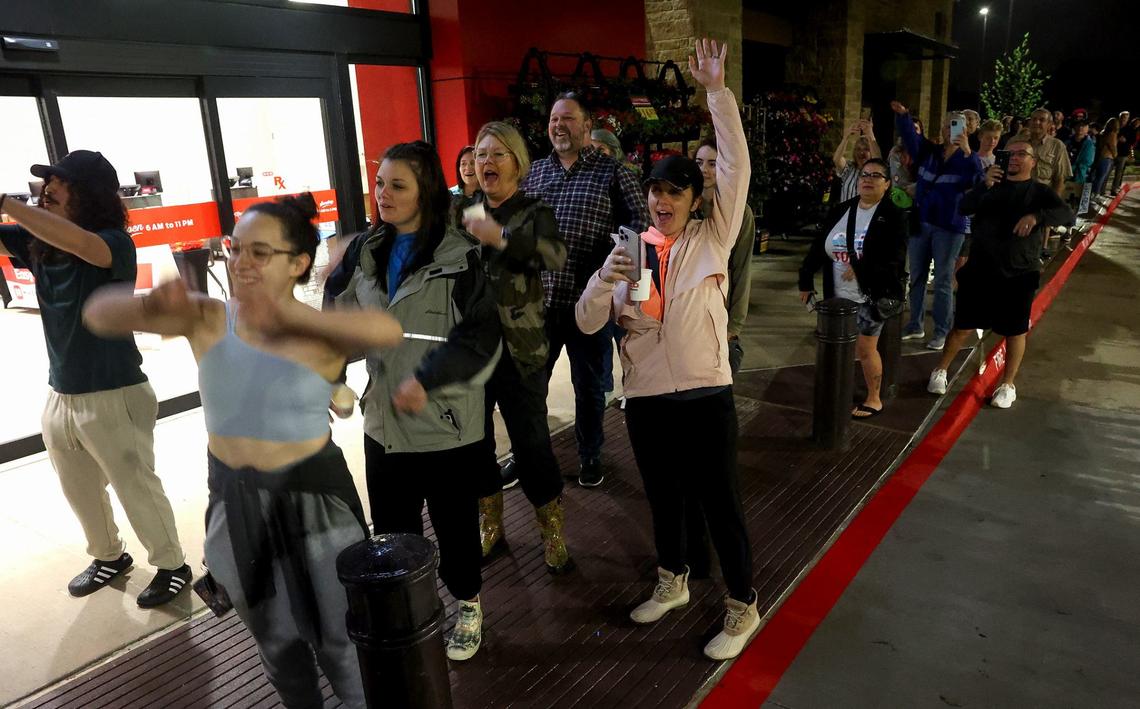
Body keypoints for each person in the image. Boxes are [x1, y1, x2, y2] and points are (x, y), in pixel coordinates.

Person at [84, 193, 404, 707]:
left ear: (299, 263)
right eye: (236, 250)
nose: (242, 263)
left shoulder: (317, 328)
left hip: (317, 506)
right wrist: (147, 306)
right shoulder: (211, 318)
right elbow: (98, 314)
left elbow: (385, 330)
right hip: (237, 505)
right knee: (277, 646)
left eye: (261, 253)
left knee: (342, 641)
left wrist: (291, 316)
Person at [577, 38, 758, 661]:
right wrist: (605, 279)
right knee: (664, 499)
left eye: (676, 191)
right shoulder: (630, 247)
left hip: (707, 394)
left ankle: (742, 605)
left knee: (720, 501)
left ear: (694, 199)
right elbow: (585, 319)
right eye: (657, 190)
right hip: (649, 399)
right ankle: (673, 581)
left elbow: (735, 164)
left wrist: (716, 92)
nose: (665, 200)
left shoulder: (714, 237)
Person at [0, 151, 189, 608]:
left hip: (115, 390)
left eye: (55, 186)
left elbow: (80, 244)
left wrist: (8, 203)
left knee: (134, 485)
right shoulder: (39, 243)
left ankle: (172, 565)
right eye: (43, 188)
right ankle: (108, 555)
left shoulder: (113, 243)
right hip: (61, 390)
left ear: (86, 194)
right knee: (79, 487)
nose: (44, 194)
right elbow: (38, 234)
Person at [336, 141, 501, 662]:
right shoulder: (365, 252)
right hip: (384, 425)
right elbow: (339, 319)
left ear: (425, 192)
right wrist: (331, 373)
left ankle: (468, 606)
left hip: (447, 427)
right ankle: (412, 616)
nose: (383, 194)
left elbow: (480, 342)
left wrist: (427, 381)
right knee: (394, 536)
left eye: (397, 185)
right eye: (379, 183)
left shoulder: (463, 259)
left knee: (455, 535)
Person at [458, 121, 574, 574]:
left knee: (530, 443)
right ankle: (492, 525)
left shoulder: (532, 209)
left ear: (517, 163)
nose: (487, 162)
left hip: (521, 348)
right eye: (481, 154)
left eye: (497, 154)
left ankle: (552, 530)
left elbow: (555, 256)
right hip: (470, 348)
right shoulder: (463, 211)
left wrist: (501, 239)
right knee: (475, 442)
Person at [522, 89, 649, 488]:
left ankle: (590, 455)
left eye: (568, 118)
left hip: (588, 305)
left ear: (587, 125)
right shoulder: (535, 172)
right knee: (528, 391)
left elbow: (640, 229)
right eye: (554, 119)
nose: (559, 125)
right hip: (538, 305)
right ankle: (531, 456)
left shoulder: (613, 173)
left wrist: (620, 280)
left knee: (590, 388)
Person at [927, 140, 1072, 408]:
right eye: (1009, 154)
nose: (1014, 159)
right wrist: (984, 184)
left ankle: (1007, 384)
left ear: (1033, 161)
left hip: (1019, 273)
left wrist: (1036, 217)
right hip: (981, 270)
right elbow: (965, 207)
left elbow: (1067, 215)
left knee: (1015, 331)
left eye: (1021, 154)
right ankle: (941, 369)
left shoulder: (1039, 192)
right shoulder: (990, 187)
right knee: (962, 326)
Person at [798, 157, 907, 417]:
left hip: (871, 294)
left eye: (876, 176)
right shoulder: (842, 209)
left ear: (887, 183)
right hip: (837, 294)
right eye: (864, 175)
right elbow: (818, 247)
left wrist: (860, 266)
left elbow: (895, 258)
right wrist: (805, 280)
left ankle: (873, 398)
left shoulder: (893, 215)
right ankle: (839, 391)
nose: (868, 179)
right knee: (839, 346)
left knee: (865, 347)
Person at [892, 101, 982, 351]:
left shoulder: (968, 158)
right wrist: (904, 116)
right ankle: (915, 324)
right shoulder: (929, 152)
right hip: (922, 221)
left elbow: (976, 182)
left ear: (966, 130)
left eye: (955, 125)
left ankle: (942, 331)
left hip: (949, 226)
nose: (949, 129)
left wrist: (967, 151)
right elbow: (912, 139)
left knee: (942, 279)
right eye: (946, 125)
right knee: (917, 276)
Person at [695, 135, 755, 375]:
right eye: (699, 162)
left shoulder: (741, 213)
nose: (705, 170)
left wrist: (734, 325)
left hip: (720, 308)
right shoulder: (684, 207)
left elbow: (742, 268)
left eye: (712, 164)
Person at [831, 119, 881, 202]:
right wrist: (846, 137)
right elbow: (836, 159)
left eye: (866, 149)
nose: (861, 152)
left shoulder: (874, 171)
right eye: (858, 149)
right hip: (846, 213)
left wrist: (870, 134)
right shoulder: (849, 168)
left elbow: (878, 160)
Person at [1110, 111, 1135, 196]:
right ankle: (1101, 191)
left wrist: (1126, 140)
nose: (1124, 119)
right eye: (1122, 117)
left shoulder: (1130, 129)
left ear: (1128, 119)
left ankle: (1114, 189)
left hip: (1123, 153)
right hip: (1111, 152)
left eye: (1126, 117)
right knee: (1107, 171)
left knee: (1119, 172)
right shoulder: (1114, 126)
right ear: (1119, 117)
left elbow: (1133, 140)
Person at [1093, 117, 1119, 197]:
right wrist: (1115, 155)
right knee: (1101, 177)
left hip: (1100, 156)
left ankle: (1094, 194)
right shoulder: (1112, 134)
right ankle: (1096, 195)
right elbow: (1112, 146)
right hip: (1107, 157)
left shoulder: (1103, 132)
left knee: (1097, 176)